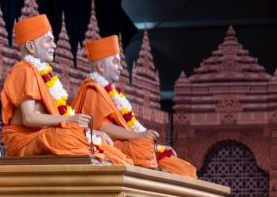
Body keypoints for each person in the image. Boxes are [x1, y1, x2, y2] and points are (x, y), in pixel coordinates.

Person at [0, 14, 128, 164]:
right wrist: (68, 120)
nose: (54, 45)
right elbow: (29, 118)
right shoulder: (24, 70)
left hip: (45, 134)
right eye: (48, 40)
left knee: (97, 142)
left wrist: (92, 133)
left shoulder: (43, 74)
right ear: (30, 46)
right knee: (67, 138)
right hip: (25, 139)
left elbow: (56, 118)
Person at [75, 35, 195, 176]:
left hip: (122, 142)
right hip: (109, 143)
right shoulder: (92, 89)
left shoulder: (111, 93)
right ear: (101, 66)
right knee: (144, 147)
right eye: (115, 62)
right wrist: (137, 135)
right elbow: (102, 126)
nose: (120, 67)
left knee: (171, 160)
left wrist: (156, 146)